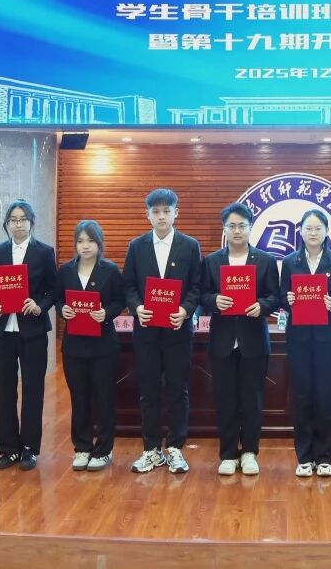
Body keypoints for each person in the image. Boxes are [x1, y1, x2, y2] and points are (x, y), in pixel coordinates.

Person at [122, 188, 202, 475]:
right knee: (149, 390)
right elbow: (128, 284)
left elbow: (197, 286)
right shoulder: (136, 246)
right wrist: (136, 307)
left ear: (176, 213)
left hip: (178, 330)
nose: (161, 216)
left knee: (178, 389)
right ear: (147, 215)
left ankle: (176, 448)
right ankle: (151, 449)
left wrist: (186, 310)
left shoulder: (190, 246)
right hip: (146, 331)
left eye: (166, 211)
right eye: (155, 211)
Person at [200, 203, 281, 476]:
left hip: (253, 340)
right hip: (222, 340)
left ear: (250, 228)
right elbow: (201, 295)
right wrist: (214, 300)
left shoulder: (265, 260)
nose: (237, 231)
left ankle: (249, 452)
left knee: (252, 399)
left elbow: (275, 296)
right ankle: (227, 453)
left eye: (242, 226)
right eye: (232, 226)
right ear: (225, 229)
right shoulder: (212, 261)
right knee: (224, 399)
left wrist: (262, 306)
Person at [277, 208, 331, 478]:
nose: (313, 233)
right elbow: (281, 297)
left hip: (328, 339)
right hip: (299, 339)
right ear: (300, 231)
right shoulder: (289, 261)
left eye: (318, 228)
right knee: (302, 396)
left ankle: (324, 457)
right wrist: (288, 300)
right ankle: (304, 457)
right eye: (308, 228)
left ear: (326, 231)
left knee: (327, 397)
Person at [0, 199, 57, 471]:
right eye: (13, 220)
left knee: (33, 389)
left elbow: (53, 290)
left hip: (33, 330)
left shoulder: (44, 252)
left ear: (31, 222)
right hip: (3, 330)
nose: (18, 224)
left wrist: (40, 306)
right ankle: (9, 448)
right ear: (7, 224)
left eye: (23, 219)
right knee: (4, 389)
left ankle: (29, 448)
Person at [56, 220, 125, 471]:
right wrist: (62, 310)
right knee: (79, 398)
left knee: (104, 398)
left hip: (103, 347)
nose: (85, 246)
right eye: (80, 241)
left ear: (99, 244)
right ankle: (82, 447)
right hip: (74, 346)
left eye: (90, 241)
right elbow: (58, 299)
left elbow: (120, 301)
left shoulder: (110, 270)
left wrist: (106, 313)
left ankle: (103, 450)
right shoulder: (65, 270)